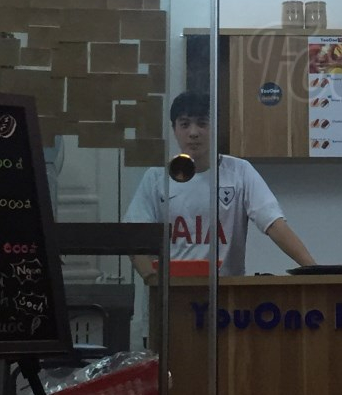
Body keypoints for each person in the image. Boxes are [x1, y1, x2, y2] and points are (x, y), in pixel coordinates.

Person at [124, 90, 317, 276]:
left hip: (226, 290)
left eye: (202, 123)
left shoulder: (240, 171)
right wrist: (152, 280)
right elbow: (133, 237)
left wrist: (315, 271)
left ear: (215, 127)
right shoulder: (156, 178)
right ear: (174, 129)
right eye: (185, 124)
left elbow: (273, 223)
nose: (193, 132)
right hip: (172, 290)